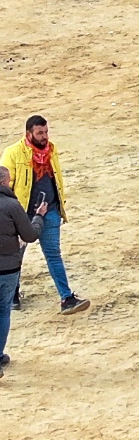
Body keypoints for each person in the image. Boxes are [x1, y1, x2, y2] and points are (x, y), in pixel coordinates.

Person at [0, 118, 91, 317]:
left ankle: (67, 298)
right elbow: (5, 185)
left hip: (49, 211)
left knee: (53, 254)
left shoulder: (51, 149)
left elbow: (56, 179)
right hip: (22, 214)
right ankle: (13, 294)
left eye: (46, 132)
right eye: (40, 133)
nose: (45, 137)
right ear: (29, 133)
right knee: (16, 256)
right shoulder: (13, 153)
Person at [0, 162, 45, 376]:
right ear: (4, 181)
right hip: (8, 269)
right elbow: (30, 235)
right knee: (3, 311)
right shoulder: (11, 205)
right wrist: (38, 217)